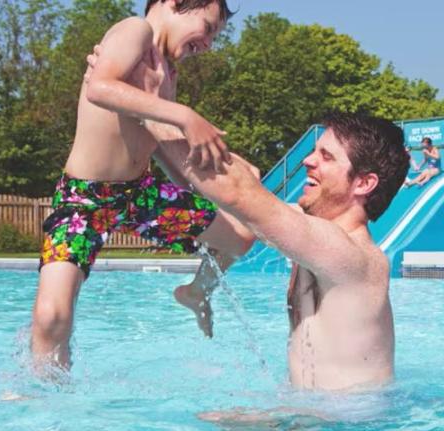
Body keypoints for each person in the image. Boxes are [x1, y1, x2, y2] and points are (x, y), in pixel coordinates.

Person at [31, 0, 255, 370]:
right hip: (83, 200)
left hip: (140, 194)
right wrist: (186, 116)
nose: (210, 43)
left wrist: (218, 184)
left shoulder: (168, 70)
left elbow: (163, 146)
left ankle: (197, 291)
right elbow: (100, 87)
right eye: (209, 27)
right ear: (173, 3)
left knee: (242, 235)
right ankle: (43, 398)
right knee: (52, 316)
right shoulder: (135, 31)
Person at [146, 111, 411, 392]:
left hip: (345, 428)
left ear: (363, 183)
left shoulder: (351, 255)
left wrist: (146, 109)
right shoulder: (317, 234)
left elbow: (239, 192)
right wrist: (154, 136)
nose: (308, 161)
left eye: (326, 157)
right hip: (316, 419)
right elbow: (225, 203)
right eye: (314, 152)